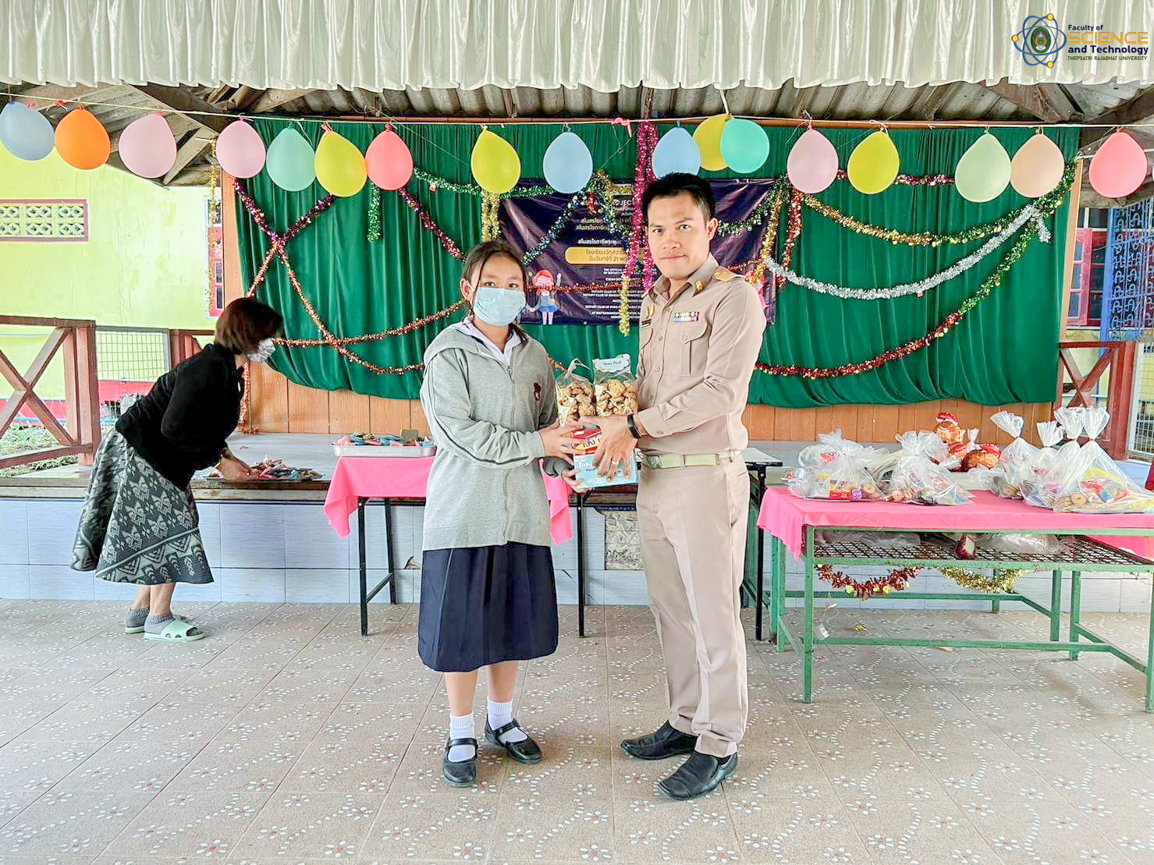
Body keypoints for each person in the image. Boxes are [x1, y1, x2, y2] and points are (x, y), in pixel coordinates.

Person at [586, 173, 766, 800]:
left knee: (713, 615)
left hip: (705, 478)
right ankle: (687, 720)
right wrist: (603, 416)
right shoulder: (654, 301)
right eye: (658, 229)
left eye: (683, 226)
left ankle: (721, 742)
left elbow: (720, 392)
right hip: (656, 478)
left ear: (710, 228)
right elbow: (650, 385)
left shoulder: (734, 298)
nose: (669, 239)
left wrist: (633, 426)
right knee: (671, 612)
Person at [419, 240, 579, 787]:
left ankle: (502, 720)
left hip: (523, 516)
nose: (504, 294)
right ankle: (460, 730)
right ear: (468, 289)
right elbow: (460, 436)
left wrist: (567, 464)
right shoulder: (447, 353)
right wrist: (540, 444)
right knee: (462, 631)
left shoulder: (535, 356)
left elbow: (549, 428)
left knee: (509, 625)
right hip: (465, 515)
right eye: (492, 284)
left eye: (514, 285)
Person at [72, 298, 283, 642]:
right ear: (249, 335)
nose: (271, 344)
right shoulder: (207, 369)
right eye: (267, 336)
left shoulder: (226, 369)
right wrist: (219, 462)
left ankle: (140, 611)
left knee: (163, 528)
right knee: (171, 530)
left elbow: (203, 425)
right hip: (143, 452)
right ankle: (159, 618)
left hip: (158, 454)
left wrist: (228, 456)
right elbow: (175, 427)